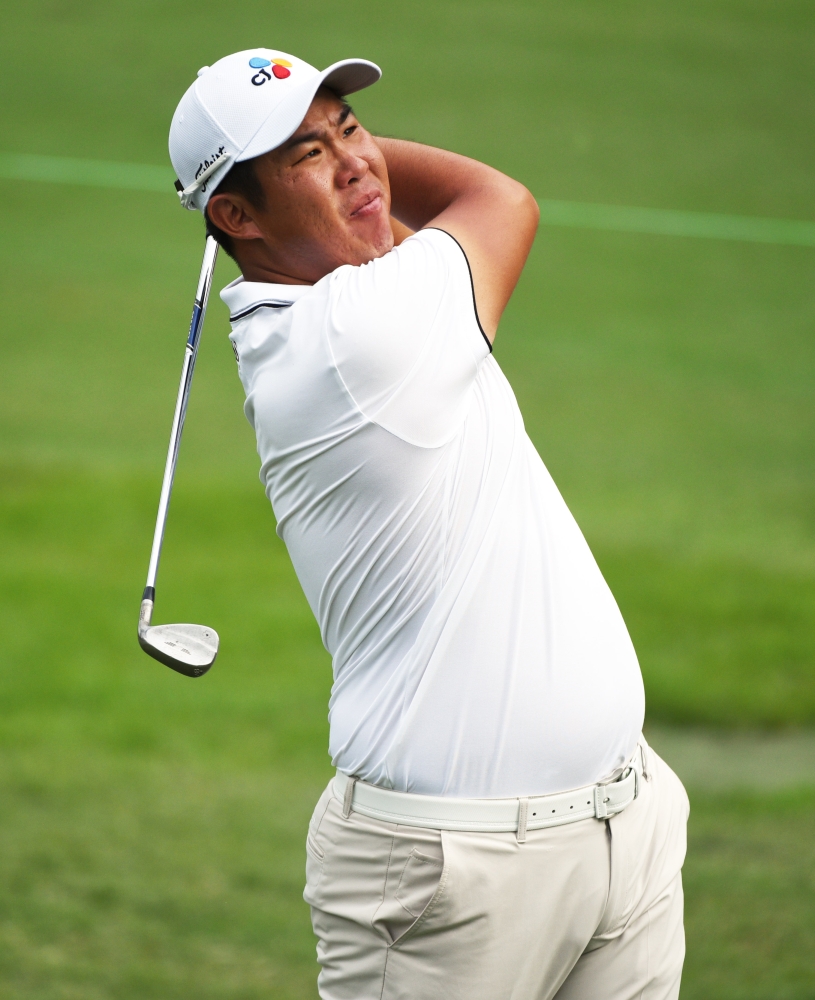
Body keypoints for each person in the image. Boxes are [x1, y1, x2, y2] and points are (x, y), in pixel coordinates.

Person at [169, 48, 689, 1000]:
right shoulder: (355, 336)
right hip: (451, 873)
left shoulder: (363, 296)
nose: (357, 163)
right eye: (304, 158)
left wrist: (330, 170)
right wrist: (357, 169)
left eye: (352, 128)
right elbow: (500, 199)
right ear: (234, 218)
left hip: (625, 829)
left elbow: (384, 228)